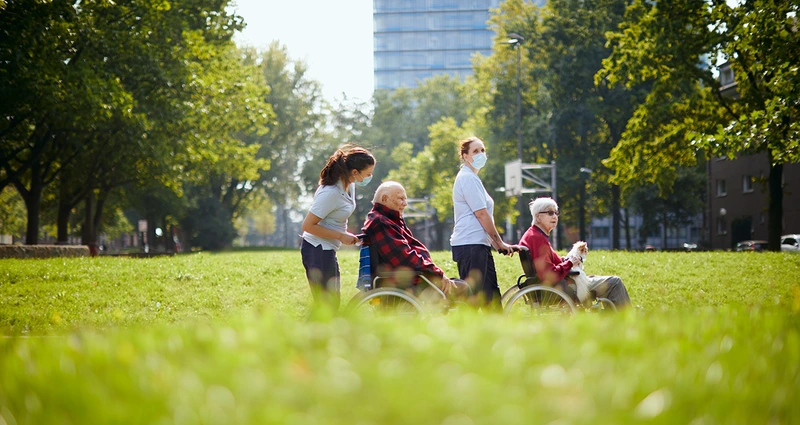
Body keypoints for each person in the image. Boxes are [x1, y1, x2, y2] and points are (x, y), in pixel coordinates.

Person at [362, 181, 470, 300]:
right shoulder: (381, 222)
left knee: (459, 283)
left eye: (405, 199)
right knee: (465, 288)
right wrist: (437, 273)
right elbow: (405, 257)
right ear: (384, 198)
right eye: (401, 199)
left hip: (414, 278)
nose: (405, 203)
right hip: (406, 283)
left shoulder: (389, 219)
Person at [519, 197, 631, 309]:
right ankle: (625, 319)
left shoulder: (533, 235)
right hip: (562, 287)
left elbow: (552, 262)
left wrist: (567, 260)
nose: (554, 216)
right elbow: (549, 274)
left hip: (555, 285)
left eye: (556, 213)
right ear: (538, 217)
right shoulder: (537, 238)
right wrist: (569, 264)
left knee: (598, 279)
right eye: (550, 212)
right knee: (614, 282)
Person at [301, 145, 376, 311]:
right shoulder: (331, 193)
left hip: (327, 249)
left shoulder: (350, 185)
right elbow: (307, 225)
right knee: (327, 306)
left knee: (331, 304)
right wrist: (341, 236)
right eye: (368, 174)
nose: (370, 177)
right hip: (317, 249)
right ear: (355, 172)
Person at [450, 136, 515, 310]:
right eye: (475, 151)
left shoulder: (472, 178)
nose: (480, 154)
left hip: (478, 244)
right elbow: (481, 214)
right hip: (470, 245)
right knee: (474, 300)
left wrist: (495, 243)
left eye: (482, 150)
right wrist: (499, 242)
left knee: (491, 297)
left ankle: (495, 334)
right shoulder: (468, 178)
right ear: (465, 156)